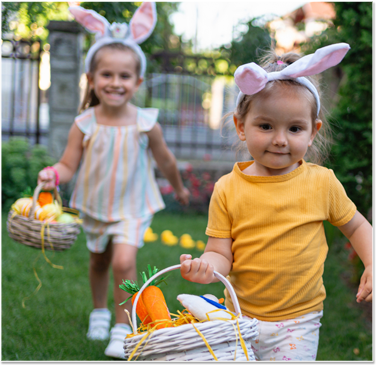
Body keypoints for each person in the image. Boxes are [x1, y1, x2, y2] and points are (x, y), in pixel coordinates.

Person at [180, 43, 372, 361]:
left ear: (312, 132)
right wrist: (206, 268)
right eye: (266, 126)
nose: (280, 139)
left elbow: (357, 226)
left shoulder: (322, 182)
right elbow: (219, 254)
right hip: (239, 316)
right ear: (242, 126)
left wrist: (371, 261)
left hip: (298, 321)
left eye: (294, 128)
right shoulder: (227, 189)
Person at [38, 3, 189, 359]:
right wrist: (53, 175)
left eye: (124, 77)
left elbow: (165, 159)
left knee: (123, 262)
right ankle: (99, 312)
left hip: (132, 206)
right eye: (107, 75)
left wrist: (179, 187)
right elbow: (68, 164)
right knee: (99, 261)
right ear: (91, 78)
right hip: (94, 204)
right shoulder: (84, 123)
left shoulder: (145, 122)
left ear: (137, 82)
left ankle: (122, 326)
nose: (115, 83)